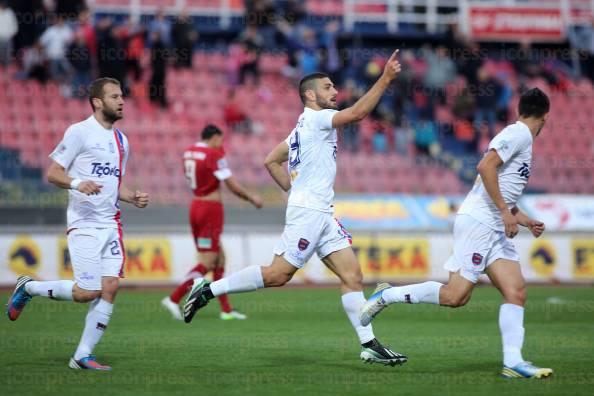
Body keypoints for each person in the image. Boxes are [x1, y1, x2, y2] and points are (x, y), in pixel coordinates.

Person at [184, 50, 408, 366]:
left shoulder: (300, 128)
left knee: (352, 275)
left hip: (320, 211)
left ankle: (369, 344)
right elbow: (357, 114)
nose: (335, 92)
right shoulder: (317, 119)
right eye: (329, 87)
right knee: (278, 274)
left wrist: (296, 190)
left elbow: (270, 160)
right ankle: (208, 289)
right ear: (310, 95)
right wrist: (385, 78)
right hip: (310, 212)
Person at [360, 88, 553, 379]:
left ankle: (513, 362)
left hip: (493, 225)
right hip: (480, 222)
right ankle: (389, 294)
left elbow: (495, 184)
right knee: (455, 296)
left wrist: (521, 219)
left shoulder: (518, 136)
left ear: (519, 109)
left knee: (516, 292)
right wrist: (504, 212)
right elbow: (485, 167)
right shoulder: (520, 135)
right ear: (545, 118)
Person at [6, 78, 149, 371]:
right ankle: (29, 287)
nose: (121, 101)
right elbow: (53, 174)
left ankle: (81, 356)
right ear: (97, 101)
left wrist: (131, 196)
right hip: (84, 224)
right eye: (114, 96)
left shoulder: (122, 141)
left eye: (122, 96)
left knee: (109, 289)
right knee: (87, 293)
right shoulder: (79, 132)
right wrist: (76, 183)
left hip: (112, 224)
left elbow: (112, 183)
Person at [161, 124, 262, 321]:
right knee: (207, 261)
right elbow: (231, 184)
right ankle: (173, 298)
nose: (221, 144)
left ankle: (226, 309)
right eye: (220, 140)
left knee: (220, 259)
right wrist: (252, 198)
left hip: (196, 206)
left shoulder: (190, 152)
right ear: (214, 137)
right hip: (210, 210)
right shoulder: (212, 155)